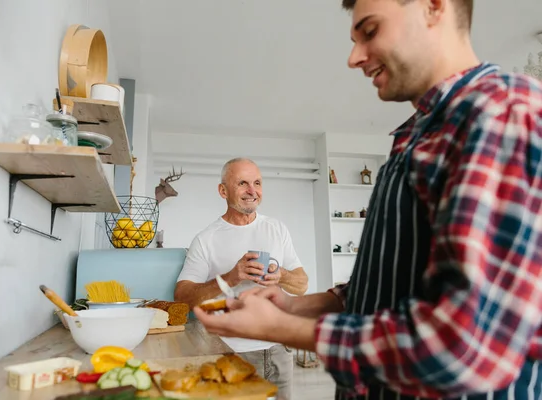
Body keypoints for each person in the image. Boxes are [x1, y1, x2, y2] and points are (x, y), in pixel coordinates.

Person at [194, 0, 542, 399]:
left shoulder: (503, 115)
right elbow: (394, 282)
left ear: (433, 7)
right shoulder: (416, 134)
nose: (354, 57)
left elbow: (464, 344)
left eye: (371, 30)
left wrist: (279, 329)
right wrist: (297, 306)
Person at [174, 157, 309, 400]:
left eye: (257, 183)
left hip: (279, 349)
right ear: (222, 190)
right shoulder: (206, 239)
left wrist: (281, 275)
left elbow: (302, 284)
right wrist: (229, 278)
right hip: (232, 354)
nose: (252, 191)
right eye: (243, 184)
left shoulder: (277, 228)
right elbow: (182, 298)